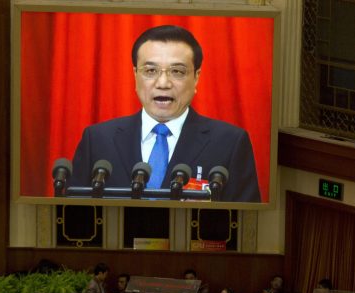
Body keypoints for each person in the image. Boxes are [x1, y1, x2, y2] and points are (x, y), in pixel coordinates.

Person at [70, 25, 260, 203]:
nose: (163, 83)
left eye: (177, 71)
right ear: (135, 75)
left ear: (196, 77)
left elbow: (246, 225)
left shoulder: (229, 143)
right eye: (150, 70)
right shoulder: (97, 139)